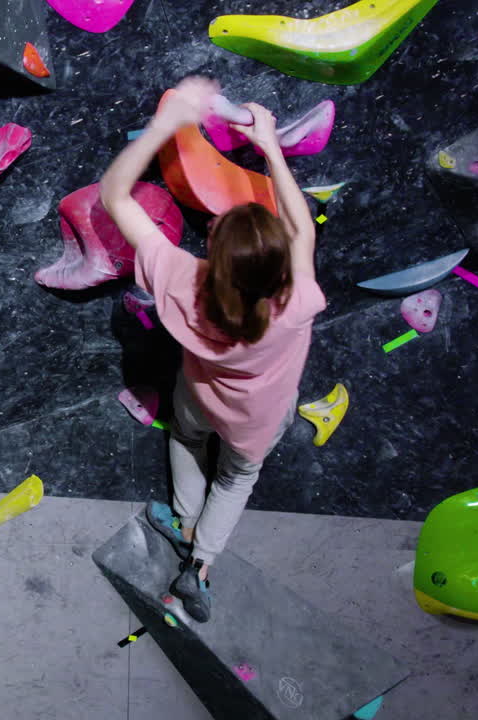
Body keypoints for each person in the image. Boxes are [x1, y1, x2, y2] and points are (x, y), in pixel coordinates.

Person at [99, 77, 325, 622]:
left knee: (187, 435)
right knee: (237, 478)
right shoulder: (297, 300)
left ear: (215, 256)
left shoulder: (183, 279)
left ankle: (182, 520)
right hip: (258, 418)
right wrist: (270, 145)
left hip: (199, 393)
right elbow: (301, 229)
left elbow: (114, 195)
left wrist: (166, 123)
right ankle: (199, 566)